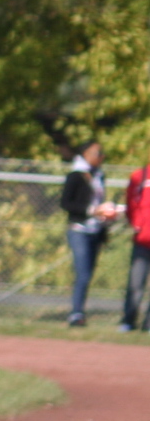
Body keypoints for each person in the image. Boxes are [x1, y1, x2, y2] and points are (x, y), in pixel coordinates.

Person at [62, 139, 121, 327]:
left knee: (88, 272)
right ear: (86, 154)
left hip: (96, 230)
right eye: (98, 153)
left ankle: (79, 310)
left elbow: (98, 201)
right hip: (79, 230)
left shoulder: (99, 175)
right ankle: (76, 314)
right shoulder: (75, 175)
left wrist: (107, 215)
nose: (101, 156)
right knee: (83, 273)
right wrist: (91, 211)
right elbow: (66, 203)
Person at [123, 161, 150, 334]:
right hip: (142, 240)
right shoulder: (140, 176)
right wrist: (136, 224)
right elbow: (130, 203)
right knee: (136, 283)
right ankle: (128, 321)